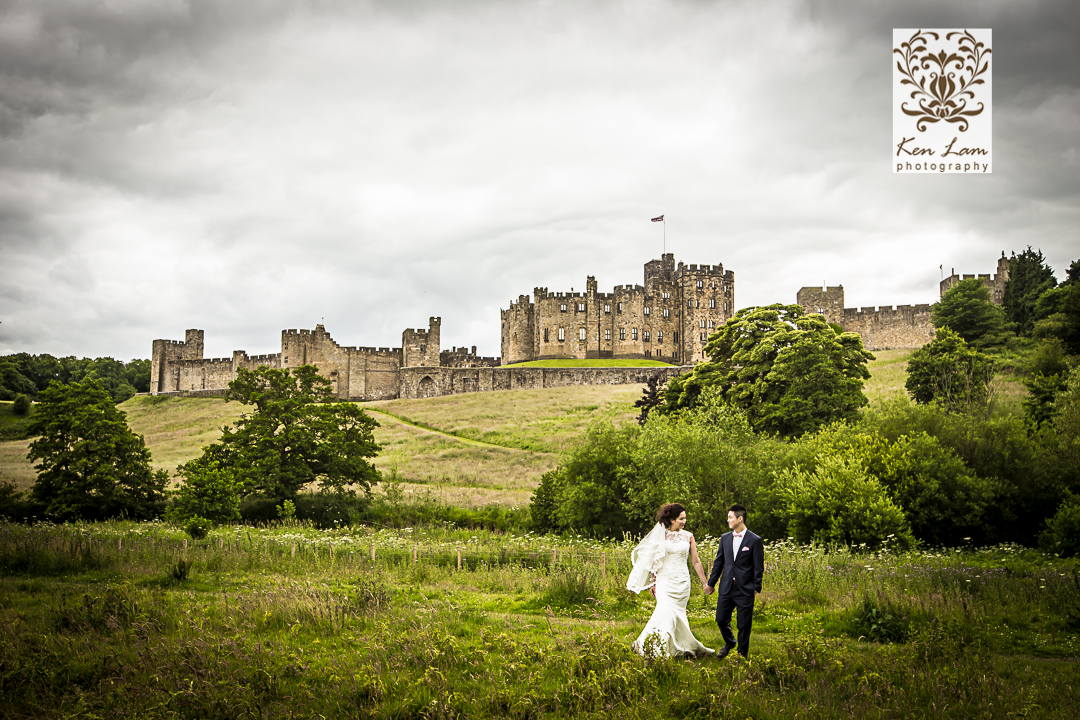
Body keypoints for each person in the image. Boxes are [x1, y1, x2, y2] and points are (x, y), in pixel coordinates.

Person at [626, 503, 714, 658]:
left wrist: (704, 583)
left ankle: (677, 647)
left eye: (685, 518)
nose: (684, 521)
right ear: (672, 519)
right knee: (665, 612)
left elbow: (696, 561)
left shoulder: (688, 536)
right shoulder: (660, 535)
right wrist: (653, 582)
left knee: (678, 615)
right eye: (681, 518)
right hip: (665, 582)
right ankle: (653, 647)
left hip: (682, 582)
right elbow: (654, 561)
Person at [706, 503, 764, 659]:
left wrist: (755, 588)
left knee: (744, 625)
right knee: (720, 619)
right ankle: (730, 642)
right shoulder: (725, 538)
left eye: (730, 517)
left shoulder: (754, 540)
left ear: (740, 518)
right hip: (726, 587)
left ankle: (741, 655)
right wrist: (711, 583)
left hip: (745, 589)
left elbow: (758, 567)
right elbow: (718, 563)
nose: (728, 520)